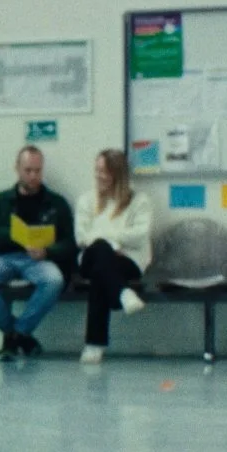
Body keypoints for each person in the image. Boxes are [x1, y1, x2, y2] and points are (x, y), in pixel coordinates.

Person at [0, 145, 77, 358]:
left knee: (54, 280)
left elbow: (69, 244)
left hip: (39, 260)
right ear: (17, 169)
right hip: (4, 258)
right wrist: (17, 237)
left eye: (37, 170)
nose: (33, 176)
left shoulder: (56, 203)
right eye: (28, 170)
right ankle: (17, 334)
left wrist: (48, 252)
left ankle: (17, 334)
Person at [73, 148, 154, 363]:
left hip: (128, 260)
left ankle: (94, 345)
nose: (98, 176)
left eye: (104, 172)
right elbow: (81, 237)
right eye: (97, 170)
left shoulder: (140, 201)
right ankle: (122, 293)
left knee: (101, 272)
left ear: (118, 174)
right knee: (100, 249)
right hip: (90, 258)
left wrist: (107, 240)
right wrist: (110, 245)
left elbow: (140, 235)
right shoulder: (86, 200)